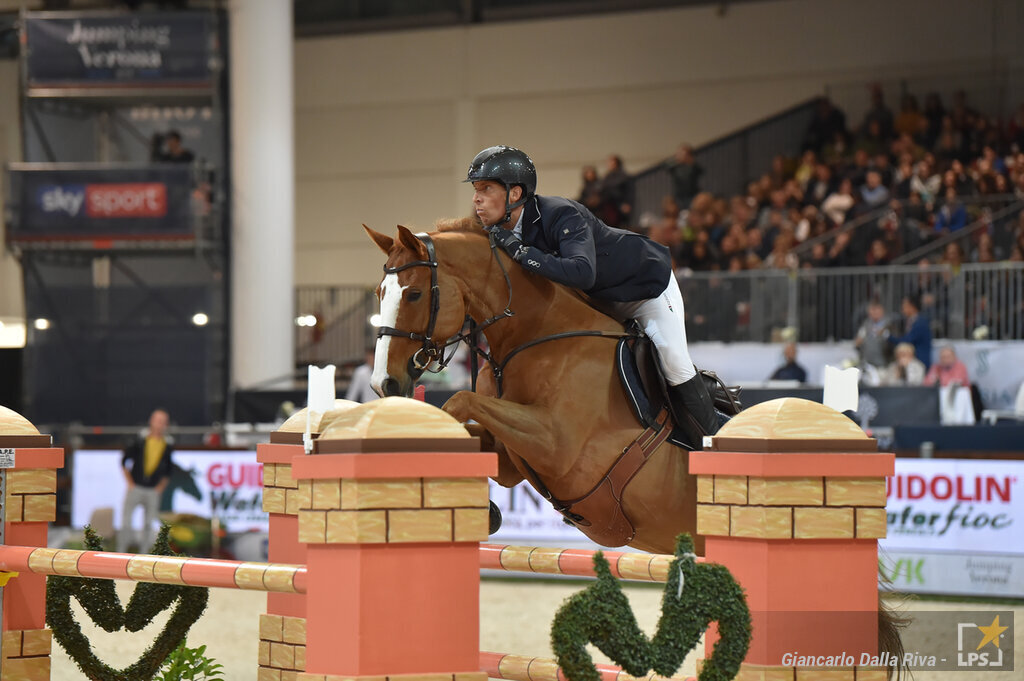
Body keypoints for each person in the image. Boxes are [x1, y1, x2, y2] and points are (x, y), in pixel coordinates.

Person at [465, 145, 718, 446]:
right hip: (596, 303)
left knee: (674, 362)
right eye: (476, 189)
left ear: (515, 194)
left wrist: (521, 252)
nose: (476, 198)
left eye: (486, 189)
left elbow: (583, 272)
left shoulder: (561, 214)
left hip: (643, 289)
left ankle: (718, 449)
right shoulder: (497, 232)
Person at [117, 409, 174, 553]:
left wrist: (160, 487)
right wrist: (130, 483)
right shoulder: (140, 440)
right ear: (151, 421)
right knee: (126, 523)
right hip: (136, 486)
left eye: (163, 421)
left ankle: (144, 555)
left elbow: (168, 470)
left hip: (152, 489)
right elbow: (124, 460)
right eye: (157, 420)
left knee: (148, 524)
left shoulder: (166, 445)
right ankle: (121, 552)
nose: (159, 424)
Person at [889, 293, 932, 369]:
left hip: (919, 363)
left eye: (905, 305)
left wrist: (888, 336)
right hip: (910, 362)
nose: (902, 308)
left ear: (912, 307)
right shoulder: (909, 321)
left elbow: (907, 340)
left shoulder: (920, 323)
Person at [854, 301, 891, 370]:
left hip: (883, 364)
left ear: (882, 310)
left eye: (876, 310)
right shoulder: (866, 324)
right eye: (872, 310)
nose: (874, 312)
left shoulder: (889, 324)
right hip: (867, 363)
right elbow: (858, 342)